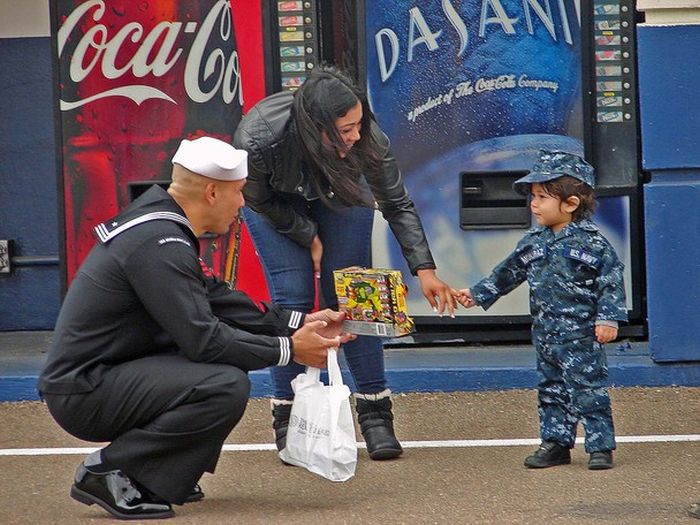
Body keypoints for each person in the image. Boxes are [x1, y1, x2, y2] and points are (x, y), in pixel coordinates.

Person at [38, 136, 355, 520]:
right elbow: (204, 339)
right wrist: (289, 350)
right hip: (86, 390)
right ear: (211, 192)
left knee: (223, 371)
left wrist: (301, 322)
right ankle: (109, 469)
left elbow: (219, 299)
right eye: (238, 192)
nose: (242, 203)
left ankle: (164, 474)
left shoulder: (160, 226)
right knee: (223, 383)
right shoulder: (160, 242)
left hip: (105, 375)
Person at [233, 65, 457, 461]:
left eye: (359, 123)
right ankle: (288, 416)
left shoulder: (366, 139)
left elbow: (396, 202)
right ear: (316, 125)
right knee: (294, 297)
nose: (357, 134)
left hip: (341, 191)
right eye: (346, 128)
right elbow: (258, 199)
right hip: (276, 206)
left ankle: (374, 413)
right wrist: (307, 234)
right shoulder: (258, 137)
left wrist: (426, 270)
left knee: (356, 291)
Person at [453, 150, 627, 470]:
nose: (534, 204)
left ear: (571, 204)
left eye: (542, 197)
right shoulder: (533, 241)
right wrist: (477, 294)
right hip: (546, 333)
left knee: (588, 391)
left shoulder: (594, 244)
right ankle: (556, 443)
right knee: (551, 390)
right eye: (533, 196)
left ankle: (600, 446)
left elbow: (610, 280)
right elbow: (508, 272)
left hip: (580, 335)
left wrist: (608, 318)